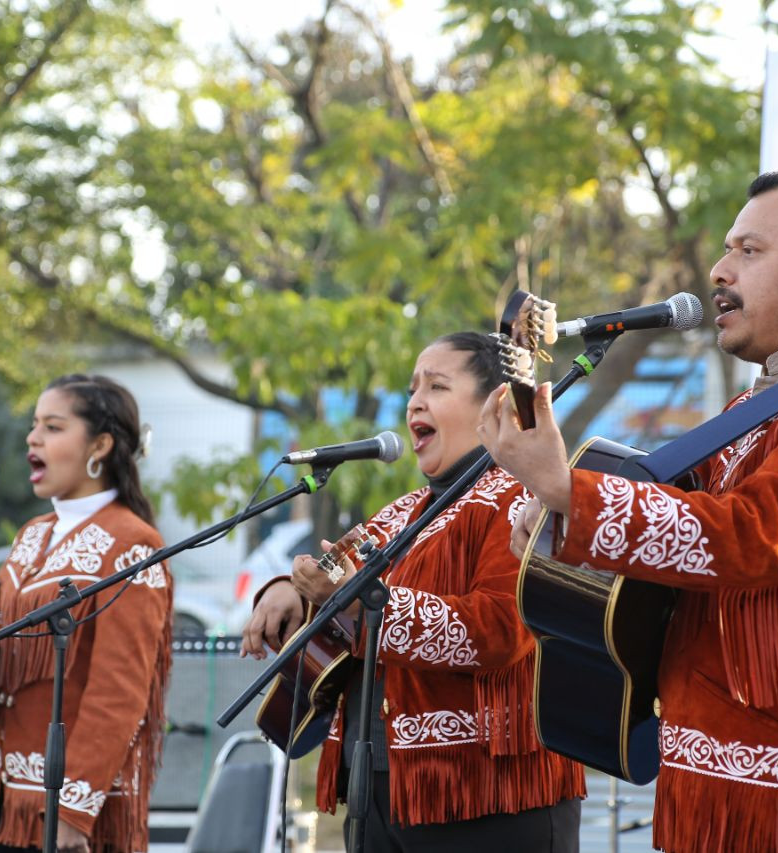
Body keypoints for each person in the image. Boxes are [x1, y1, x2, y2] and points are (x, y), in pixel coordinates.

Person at [477, 170, 778, 852]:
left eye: (749, 250)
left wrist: (571, 493)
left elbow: (755, 537)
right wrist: (556, 519)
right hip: (707, 797)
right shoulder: (756, 409)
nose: (718, 269)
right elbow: (674, 534)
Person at [242, 332, 586, 852]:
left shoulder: (524, 499)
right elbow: (333, 577)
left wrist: (359, 600)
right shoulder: (402, 513)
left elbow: (497, 630)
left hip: (485, 792)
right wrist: (288, 589)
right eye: (411, 390)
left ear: (494, 404)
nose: (415, 402)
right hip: (379, 781)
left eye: (438, 386)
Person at [0, 374, 172, 853]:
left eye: (53, 427)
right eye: (34, 425)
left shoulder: (133, 544)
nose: (33, 438)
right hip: (1, 800)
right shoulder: (32, 534)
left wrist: (74, 808)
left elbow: (120, 692)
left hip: (66, 813)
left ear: (100, 445)